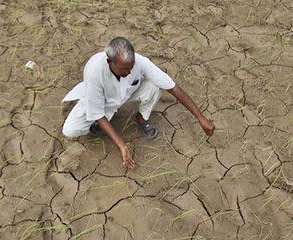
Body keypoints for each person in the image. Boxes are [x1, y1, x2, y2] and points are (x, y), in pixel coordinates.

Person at [61, 37, 215, 169]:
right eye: (124, 69)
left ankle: (141, 119)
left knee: (155, 86)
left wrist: (201, 118)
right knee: (70, 131)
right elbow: (98, 113)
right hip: (101, 100)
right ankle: (99, 122)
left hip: (126, 94)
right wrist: (122, 145)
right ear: (110, 62)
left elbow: (172, 87)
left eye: (131, 67)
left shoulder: (140, 62)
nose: (129, 72)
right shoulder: (94, 70)